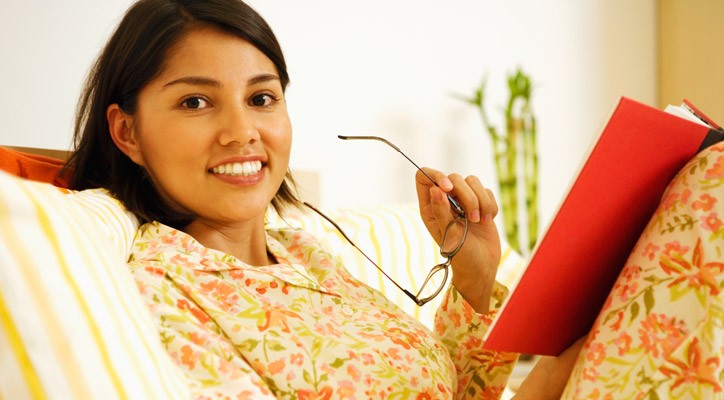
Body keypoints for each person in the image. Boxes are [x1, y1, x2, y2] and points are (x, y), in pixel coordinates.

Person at [62, 0, 723, 399]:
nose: (243, 131)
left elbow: (452, 390)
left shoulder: (311, 258)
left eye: (262, 97)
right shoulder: (158, 289)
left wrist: (474, 278)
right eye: (196, 102)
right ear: (127, 131)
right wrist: (545, 386)